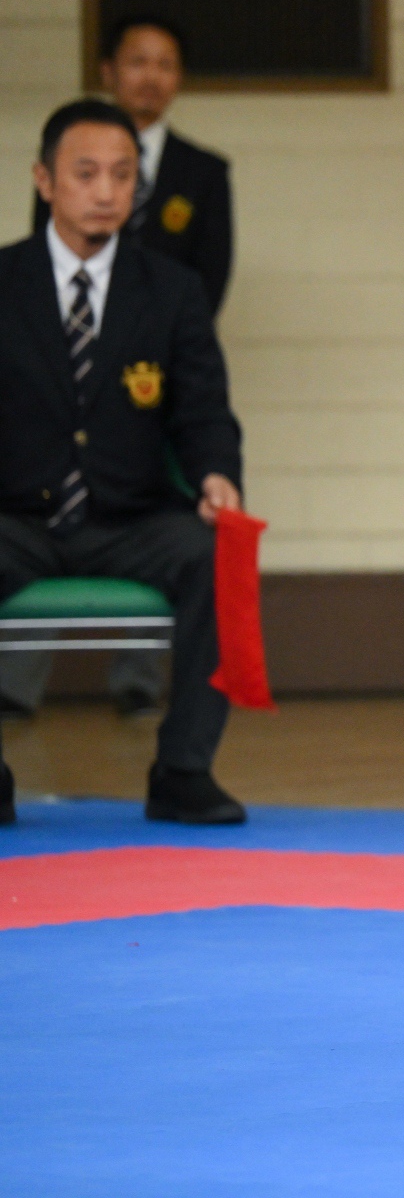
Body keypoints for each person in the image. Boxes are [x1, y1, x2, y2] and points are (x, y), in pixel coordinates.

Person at [0, 100, 248, 826]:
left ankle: (184, 771)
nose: (106, 191)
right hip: (17, 516)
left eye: (122, 174)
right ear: (45, 180)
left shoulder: (172, 289)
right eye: (86, 174)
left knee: (216, 552)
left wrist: (216, 475)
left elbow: (204, 410)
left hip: (130, 517)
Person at [37, 17, 235, 316]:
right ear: (108, 71)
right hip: (75, 322)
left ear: (179, 77)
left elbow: (211, 277)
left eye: (165, 65)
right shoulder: (67, 155)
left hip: (169, 331)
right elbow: (44, 250)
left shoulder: (206, 171)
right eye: (138, 62)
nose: (151, 77)